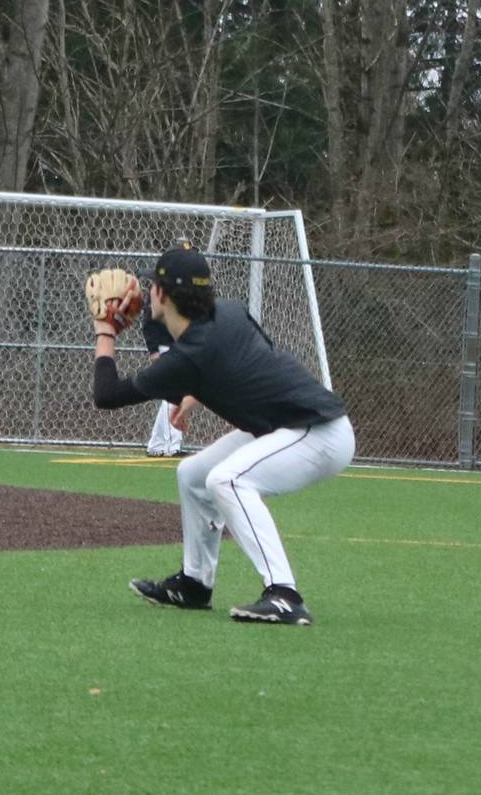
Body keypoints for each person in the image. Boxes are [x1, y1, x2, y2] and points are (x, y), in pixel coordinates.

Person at [90, 241, 354, 626]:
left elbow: (106, 395)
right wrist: (196, 393)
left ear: (162, 294)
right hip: (289, 425)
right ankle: (194, 584)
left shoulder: (186, 358)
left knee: (227, 480)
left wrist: (105, 331)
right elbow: (250, 355)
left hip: (318, 431)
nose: (148, 293)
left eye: (152, 286)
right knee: (193, 475)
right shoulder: (229, 312)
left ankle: (284, 594)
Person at [141, 314, 184, 456]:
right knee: (173, 393)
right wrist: (154, 349)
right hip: (165, 346)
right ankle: (172, 446)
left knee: (175, 393)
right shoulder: (160, 293)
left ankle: (156, 444)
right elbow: (148, 320)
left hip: (179, 345)